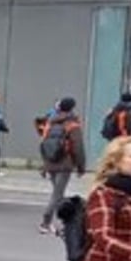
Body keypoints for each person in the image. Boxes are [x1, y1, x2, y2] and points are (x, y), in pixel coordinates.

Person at [39, 97, 86, 233]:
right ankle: (45, 222)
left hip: (51, 163)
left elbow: (43, 145)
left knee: (58, 193)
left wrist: (44, 165)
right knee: (57, 194)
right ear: (72, 108)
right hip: (65, 163)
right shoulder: (72, 125)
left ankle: (66, 220)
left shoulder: (50, 123)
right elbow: (78, 148)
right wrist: (81, 166)